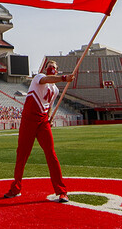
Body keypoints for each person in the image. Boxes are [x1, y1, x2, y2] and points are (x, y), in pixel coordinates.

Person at [4, 59, 72, 202]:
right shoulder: (39, 77)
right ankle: (15, 188)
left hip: (42, 122)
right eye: (49, 67)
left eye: (53, 67)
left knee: (51, 154)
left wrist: (49, 118)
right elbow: (47, 79)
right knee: (22, 154)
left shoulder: (56, 90)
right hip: (28, 120)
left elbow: (49, 105)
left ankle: (61, 191)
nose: (50, 69)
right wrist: (64, 78)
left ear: (57, 70)